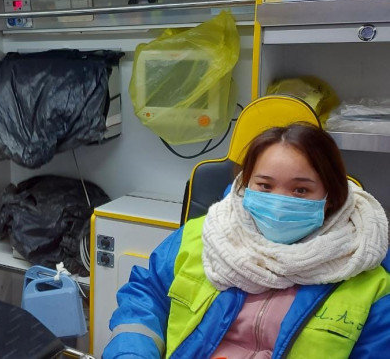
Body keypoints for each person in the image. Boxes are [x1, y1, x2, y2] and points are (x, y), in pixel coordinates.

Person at [104, 123, 389, 358]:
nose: (278, 202)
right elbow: (146, 296)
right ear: (246, 186)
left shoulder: (369, 283)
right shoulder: (203, 236)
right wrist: (131, 353)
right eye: (265, 186)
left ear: (331, 198)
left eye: (300, 190)